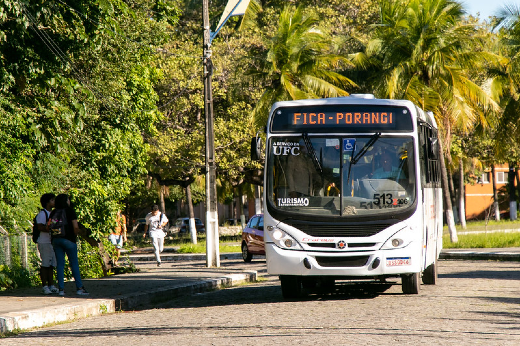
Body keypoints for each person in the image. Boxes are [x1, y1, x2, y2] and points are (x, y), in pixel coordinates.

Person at [50, 194, 89, 296]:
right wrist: (75, 235)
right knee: (74, 264)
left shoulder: (53, 212)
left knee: (60, 265)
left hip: (56, 240)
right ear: (66, 201)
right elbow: (75, 227)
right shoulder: (70, 211)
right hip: (69, 240)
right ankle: (80, 288)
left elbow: (48, 226)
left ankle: (61, 289)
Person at [36, 193, 59, 295]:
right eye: (52, 200)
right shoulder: (42, 214)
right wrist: (50, 228)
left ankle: (51, 285)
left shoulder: (53, 213)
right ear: (48, 202)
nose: (54, 202)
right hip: (44, 242)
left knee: (51, 264)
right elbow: (40, 227)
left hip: (51, 242)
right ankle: (44, 286)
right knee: (45, 264)